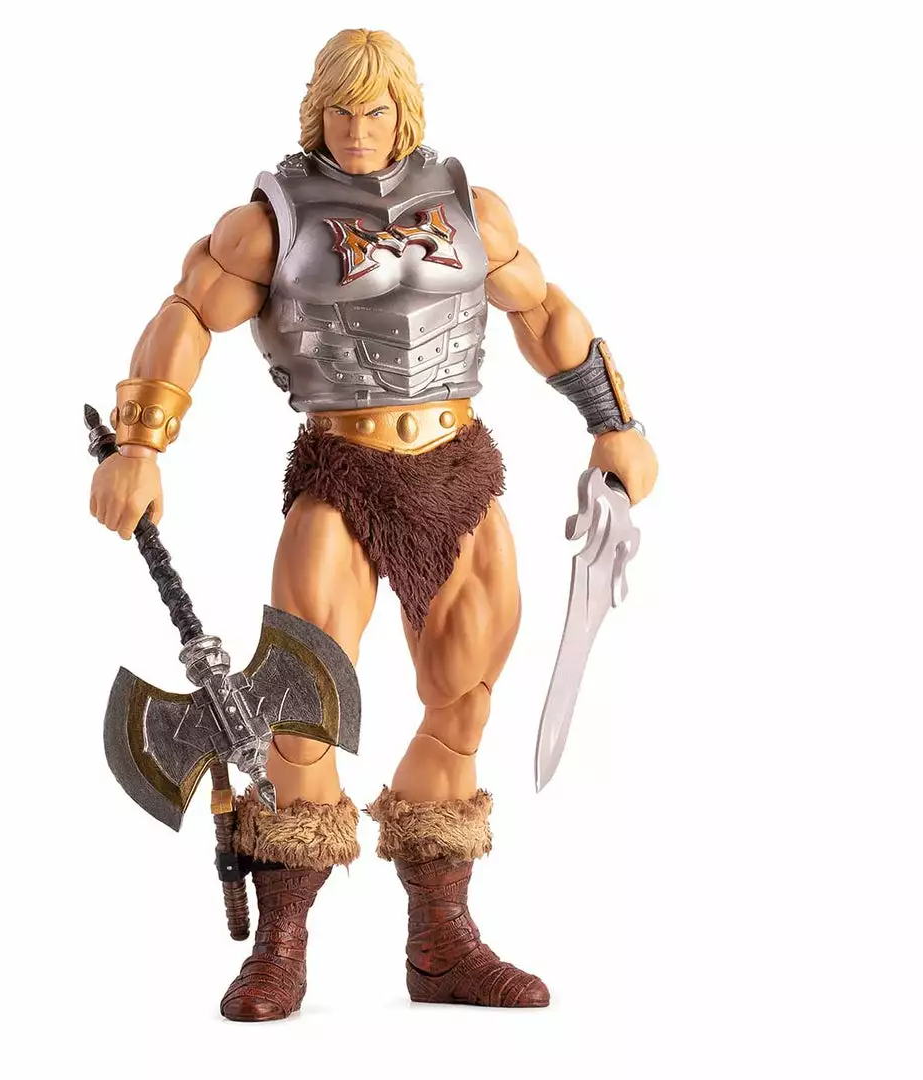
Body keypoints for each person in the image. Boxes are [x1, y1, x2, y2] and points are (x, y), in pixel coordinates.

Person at [90, 27, 658, 1020]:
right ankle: (283, 944)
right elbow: (187, 314)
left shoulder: (470, 207)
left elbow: (543, 314)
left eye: (376, 111)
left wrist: (614, 422)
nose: (358, 130)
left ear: (406, 113)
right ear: (317, 115)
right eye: (341, 113)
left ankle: (442, 944)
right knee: (302, 705)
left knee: (463, 701)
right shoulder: (270, 222)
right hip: (341, 471)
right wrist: (140, 445)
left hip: (458, 467)